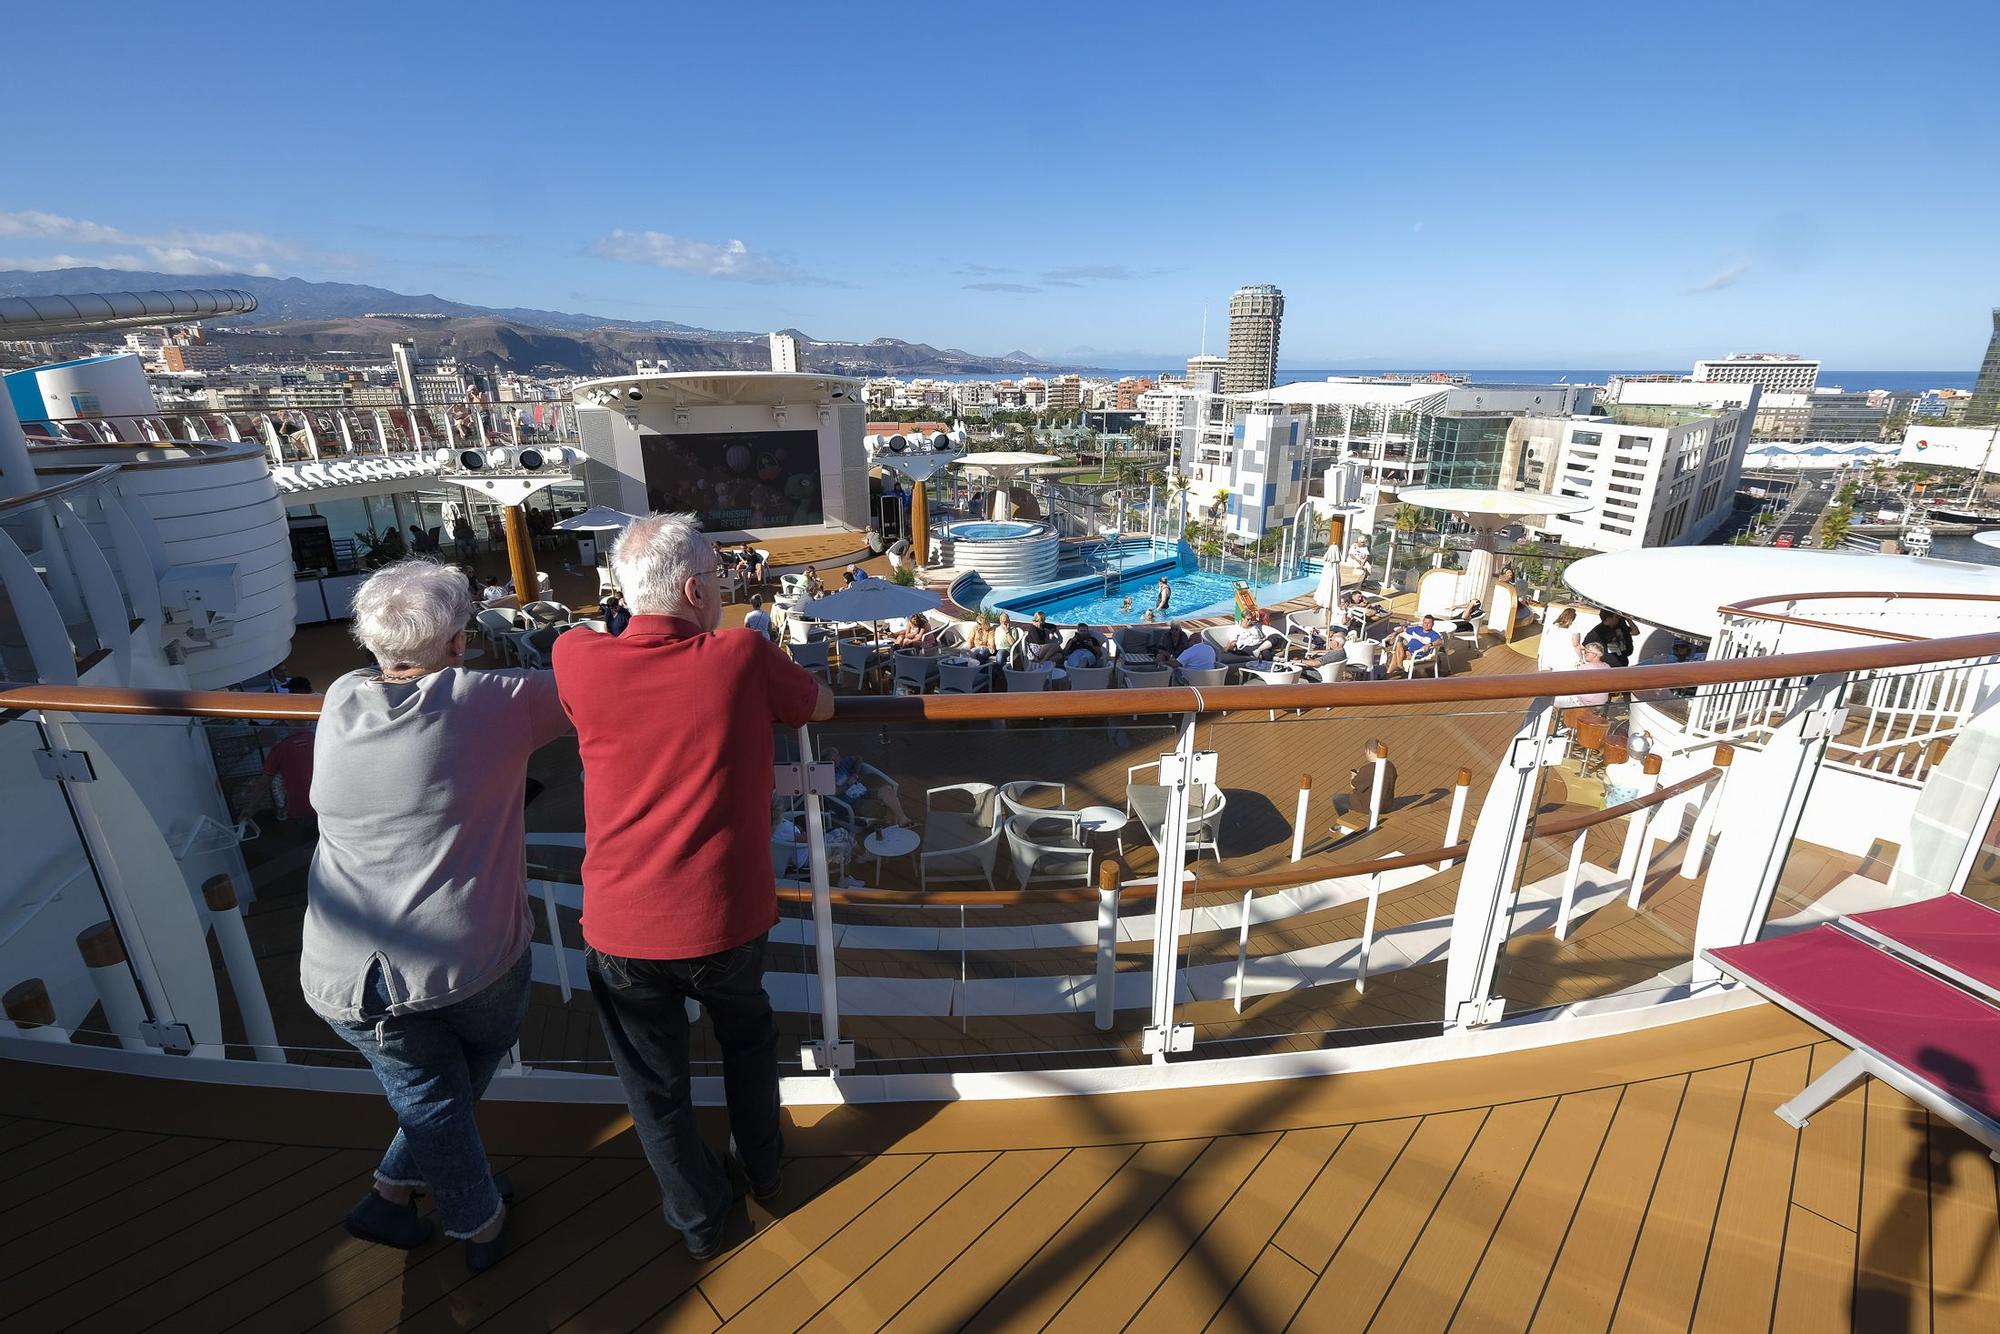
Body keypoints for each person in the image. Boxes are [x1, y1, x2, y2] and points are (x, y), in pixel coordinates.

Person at [553, 514, 834, 1259]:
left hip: (620, 926)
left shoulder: (575, 657)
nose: (724, 591)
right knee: (747, 1041)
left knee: (654, 1086)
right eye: (718, 580)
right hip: (726, 917)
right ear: (694, 588)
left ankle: (700, 1220)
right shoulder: (741, 653)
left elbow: (587, 643)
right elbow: (821, 705)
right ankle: (764, 1171)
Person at [299, 560, 572, 1271]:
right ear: (457, 644)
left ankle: (393, 1194)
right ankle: (476, 1223)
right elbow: (610, 683)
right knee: (443, 1093)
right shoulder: (496, 700)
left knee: (431, 1090)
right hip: (466, 963)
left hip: (339, 970)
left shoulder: (341, 696)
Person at [822, 746, 911, 825]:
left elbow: (858, 758)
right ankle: (895, 821)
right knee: (886, 807)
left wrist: (855, 774)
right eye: (832, 760)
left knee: (887, 790)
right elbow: (833, 792)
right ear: (826, 762)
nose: (837, 760)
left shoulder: (843, 763)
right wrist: (848, 783)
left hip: (862, 792)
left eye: (837, 756)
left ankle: (902, 819)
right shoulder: (824, 776)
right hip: (851, 803)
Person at [1334, 738, 1398, 834]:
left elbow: (1353, 785)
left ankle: (1346, 822)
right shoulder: (1390, 766)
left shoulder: (1367, 770)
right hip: (1387, 804)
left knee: (1337, 799)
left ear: (1368, 751)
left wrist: (1353, 776)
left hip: (1370, 805)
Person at [1557, 641, 1613, 707]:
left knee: (1556, 699)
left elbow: (1571, 683)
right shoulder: (1607, 666)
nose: (1584, 654)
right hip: (1602, 702)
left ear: (1594, 654)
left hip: (1586, 703)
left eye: (1586, 652)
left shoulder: (1585, 668)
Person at [1541, 606, 1585, 671]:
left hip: (1553, 654)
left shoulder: (1553, 625)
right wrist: (1581, 659)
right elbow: (1576, 645)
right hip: (1566, 656)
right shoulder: (1574, 629)